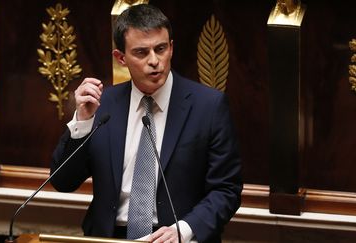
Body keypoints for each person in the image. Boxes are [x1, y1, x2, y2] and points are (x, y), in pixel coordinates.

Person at [50, 4, 242, 243]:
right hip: (109, 237)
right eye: (141, 52)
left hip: (176, 237)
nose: (155, 61)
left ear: (171, 48)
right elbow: (63, 182)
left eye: (160, 49)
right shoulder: (102, 105)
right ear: (121, 58)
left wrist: (183, 230)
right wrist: (83, 122)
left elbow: (226, 190)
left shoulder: (209, 107)